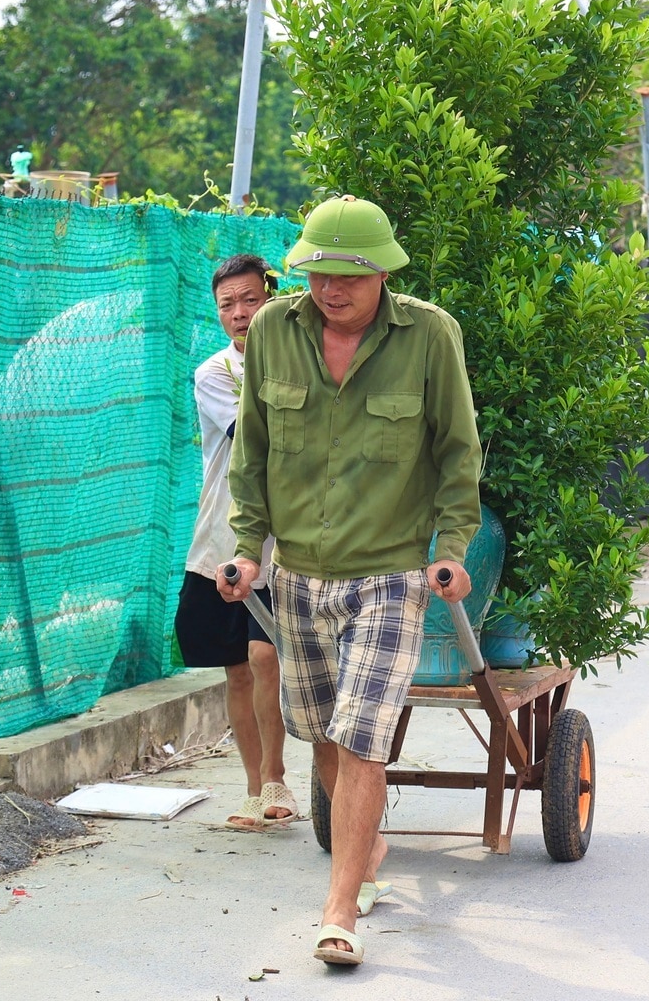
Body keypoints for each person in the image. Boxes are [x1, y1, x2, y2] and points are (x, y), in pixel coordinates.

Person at [222, 196, 482, 970]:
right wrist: (247, 550)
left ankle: (339, 913)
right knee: (324, 736)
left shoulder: (429, 335)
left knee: (364, 739)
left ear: (382, 274)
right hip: (300, 575)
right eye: (318, 274)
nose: (331, 289)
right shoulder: (273, 330)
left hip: (390, 574)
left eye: (349, 276)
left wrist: (454, 548)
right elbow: (254, 454)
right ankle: (365, 846)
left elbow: (458, 455)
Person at [177, 254, 295, 831]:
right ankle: (255, 787)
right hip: (227, 535)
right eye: (228, 305)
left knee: (266, 654)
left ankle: (277, 776)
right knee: (238, 669)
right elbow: (256, 435)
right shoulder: (214, 374)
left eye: (250, 300)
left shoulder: (304, 363)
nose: (240, 313)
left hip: (289, 543)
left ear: (272, 297)